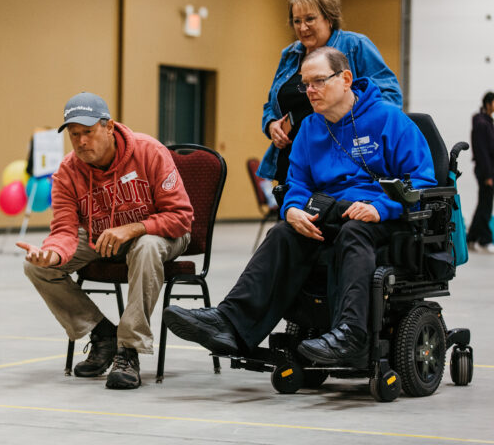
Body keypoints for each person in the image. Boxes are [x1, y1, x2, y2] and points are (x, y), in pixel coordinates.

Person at [164, 47, 435, 368]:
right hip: (332, 212)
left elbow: (423, 181)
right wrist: (291, 209)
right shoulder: (309, 128)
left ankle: (351, 332)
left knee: (355, 231)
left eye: (318, 81)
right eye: (306, 84)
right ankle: (229, 323)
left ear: (346, 79)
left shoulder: (389, 119)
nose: (310, 91)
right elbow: (298, 184)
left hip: (382, 218)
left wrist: (381, 207)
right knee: (283, 233)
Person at [17, 92, 193, 389]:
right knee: (36, 268)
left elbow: (181, 216)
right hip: (103, 236)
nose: (82, 141)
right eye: (75, 135)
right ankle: (102, 334)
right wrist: (53, 255)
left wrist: (135, 228)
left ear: (109, 127)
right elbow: (64, 229)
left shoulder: (149, 151)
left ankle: (129, 350)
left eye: (88, 132)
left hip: (161, 233)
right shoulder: (67, 173)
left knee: (146, 245)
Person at [259, 0, 402, 184]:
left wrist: (356, 129)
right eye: (297, 21)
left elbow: (390, 97)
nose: (302, 27)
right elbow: (271, 104)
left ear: (329, 18)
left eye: (310, 19)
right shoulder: (289, 54)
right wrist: (271, 124)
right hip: (293, 162)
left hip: (340, 160)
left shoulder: (355, 45)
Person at [467, 91, 494, 253]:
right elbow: (482, 151)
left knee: (484, 204)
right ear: (488, 103)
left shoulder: (487, 122)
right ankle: (484, 239)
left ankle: (471, 238)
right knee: (486, 205)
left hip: (488, 170)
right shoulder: (481, 123)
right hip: (486, 171)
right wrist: (488, 175)